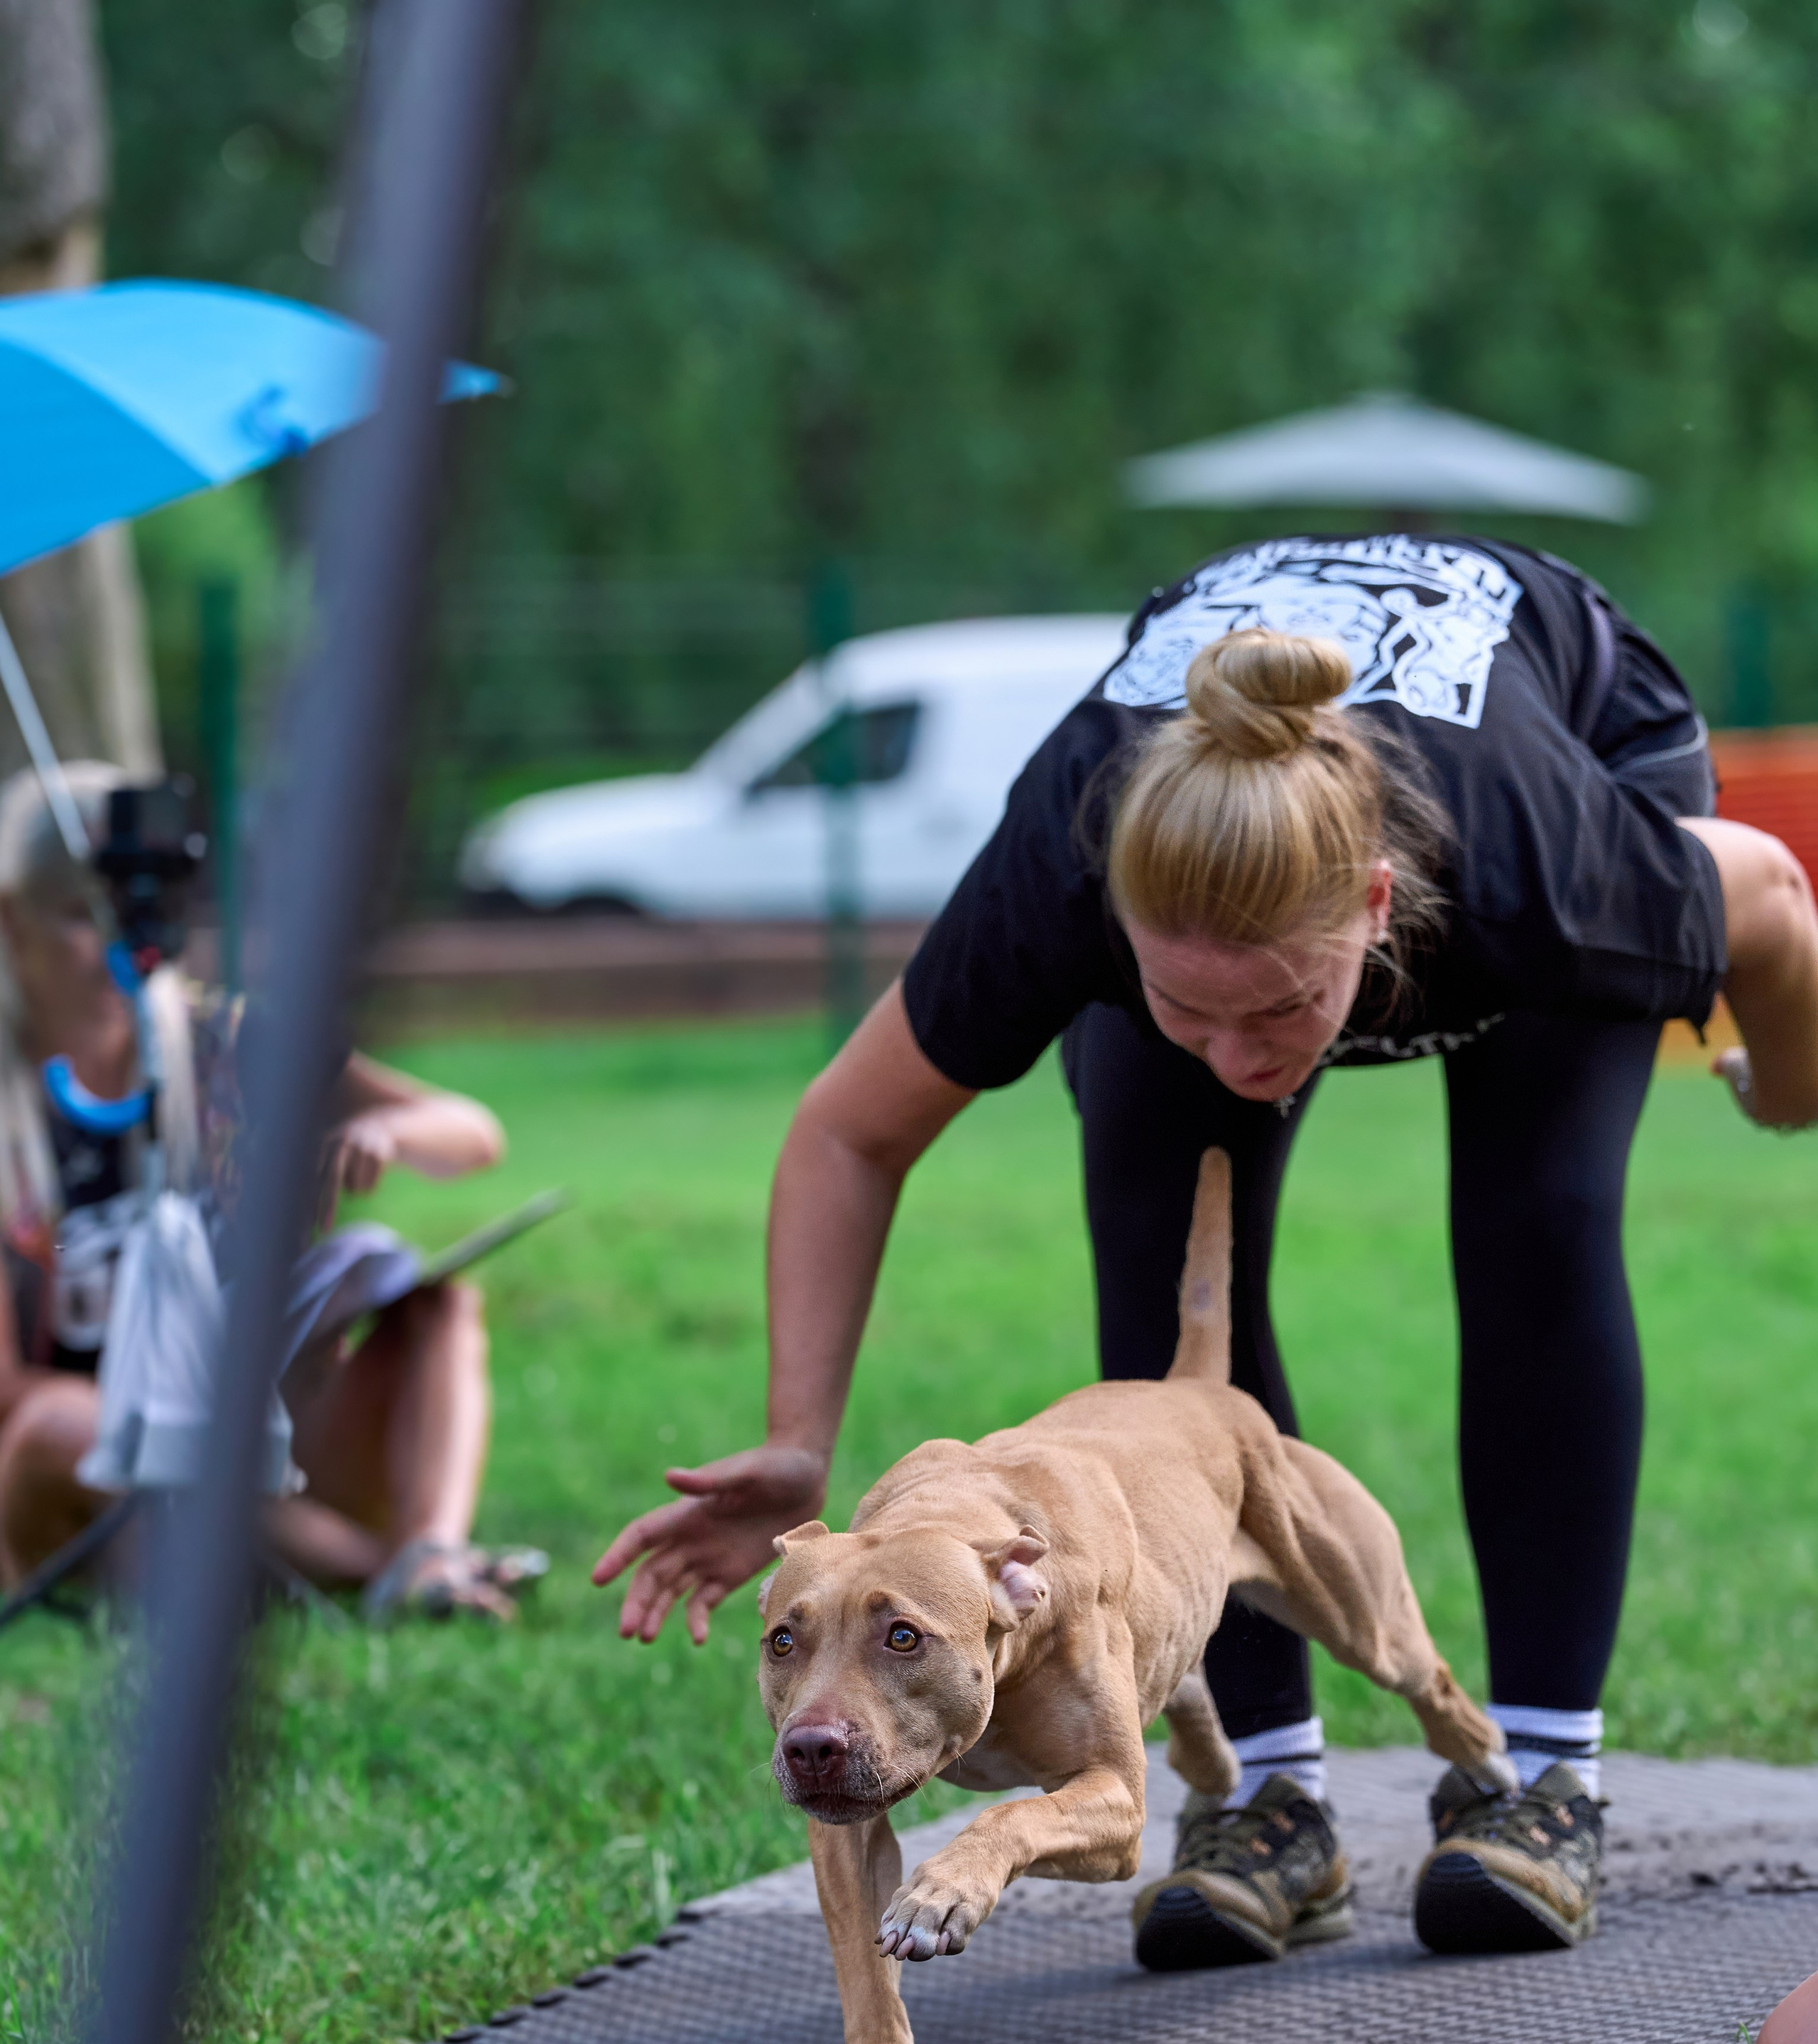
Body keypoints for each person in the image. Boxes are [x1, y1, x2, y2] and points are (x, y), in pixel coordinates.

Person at [594, 532, 1818, 1964]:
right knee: (1156, 1227)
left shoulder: (1540, 875)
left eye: (1282, 1012)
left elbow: (1777, 908)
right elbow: (847, 1133)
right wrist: (797, 1440)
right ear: (1115, 929)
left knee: (1534, 1217)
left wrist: (1783, 1089)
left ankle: (1539, 1772)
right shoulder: (1061, 869)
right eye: (1191, 1012)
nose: (1245, 1060)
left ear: (1371, 912)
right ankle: (1261, 1794)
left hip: (1562, 724)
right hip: (1198, 821)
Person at [0, 760, 529, 1620]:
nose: (118, 949)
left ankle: (431, 1549)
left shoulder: (216, 1038)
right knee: (63, 1422)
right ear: (10, 920)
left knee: (436, 1306)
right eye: (80, 917)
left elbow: (472, 1130)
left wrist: (384, 1132)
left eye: (142, 914)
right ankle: (374, 1569)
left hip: (260, 1448)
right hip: (81, 1494)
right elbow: (11, 1399)